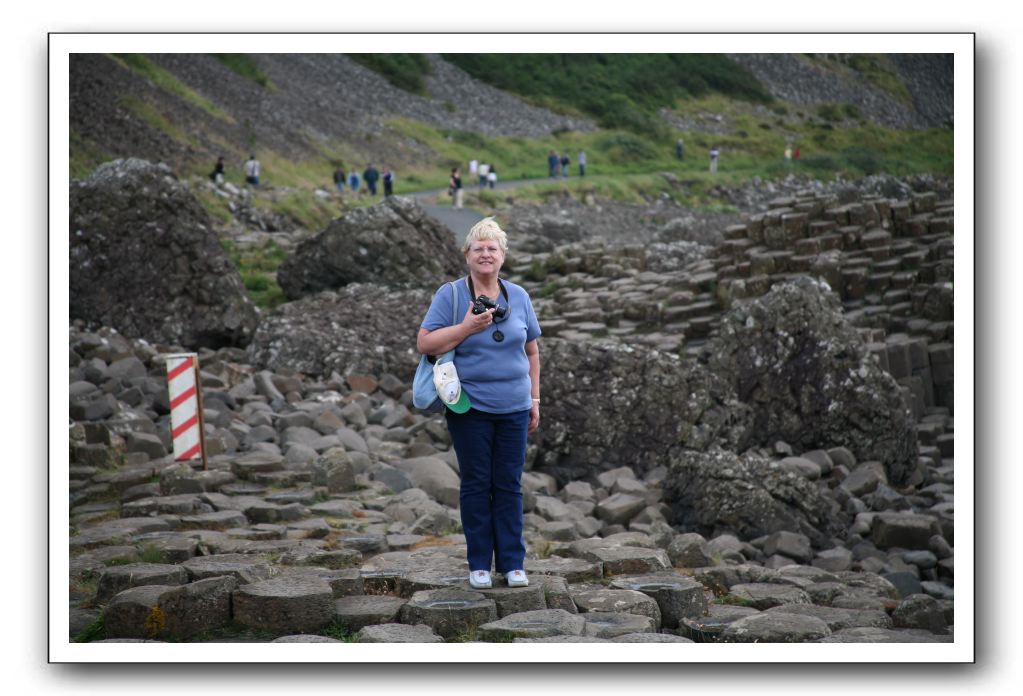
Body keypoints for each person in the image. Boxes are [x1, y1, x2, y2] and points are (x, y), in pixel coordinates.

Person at [417, 217, 541, 590]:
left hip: (516, 408)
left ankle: (513, 564)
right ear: (467, 255)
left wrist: (535, 398)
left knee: (508, 484)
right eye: (478, 248)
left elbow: (532, 351)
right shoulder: (451, 295)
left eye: (492, 248)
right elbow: (426, 343)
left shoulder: (518, 295)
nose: (485, 254)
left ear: (502, 256)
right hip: (469, 407)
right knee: (475, 483)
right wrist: (468, 327)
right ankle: (479, 566)